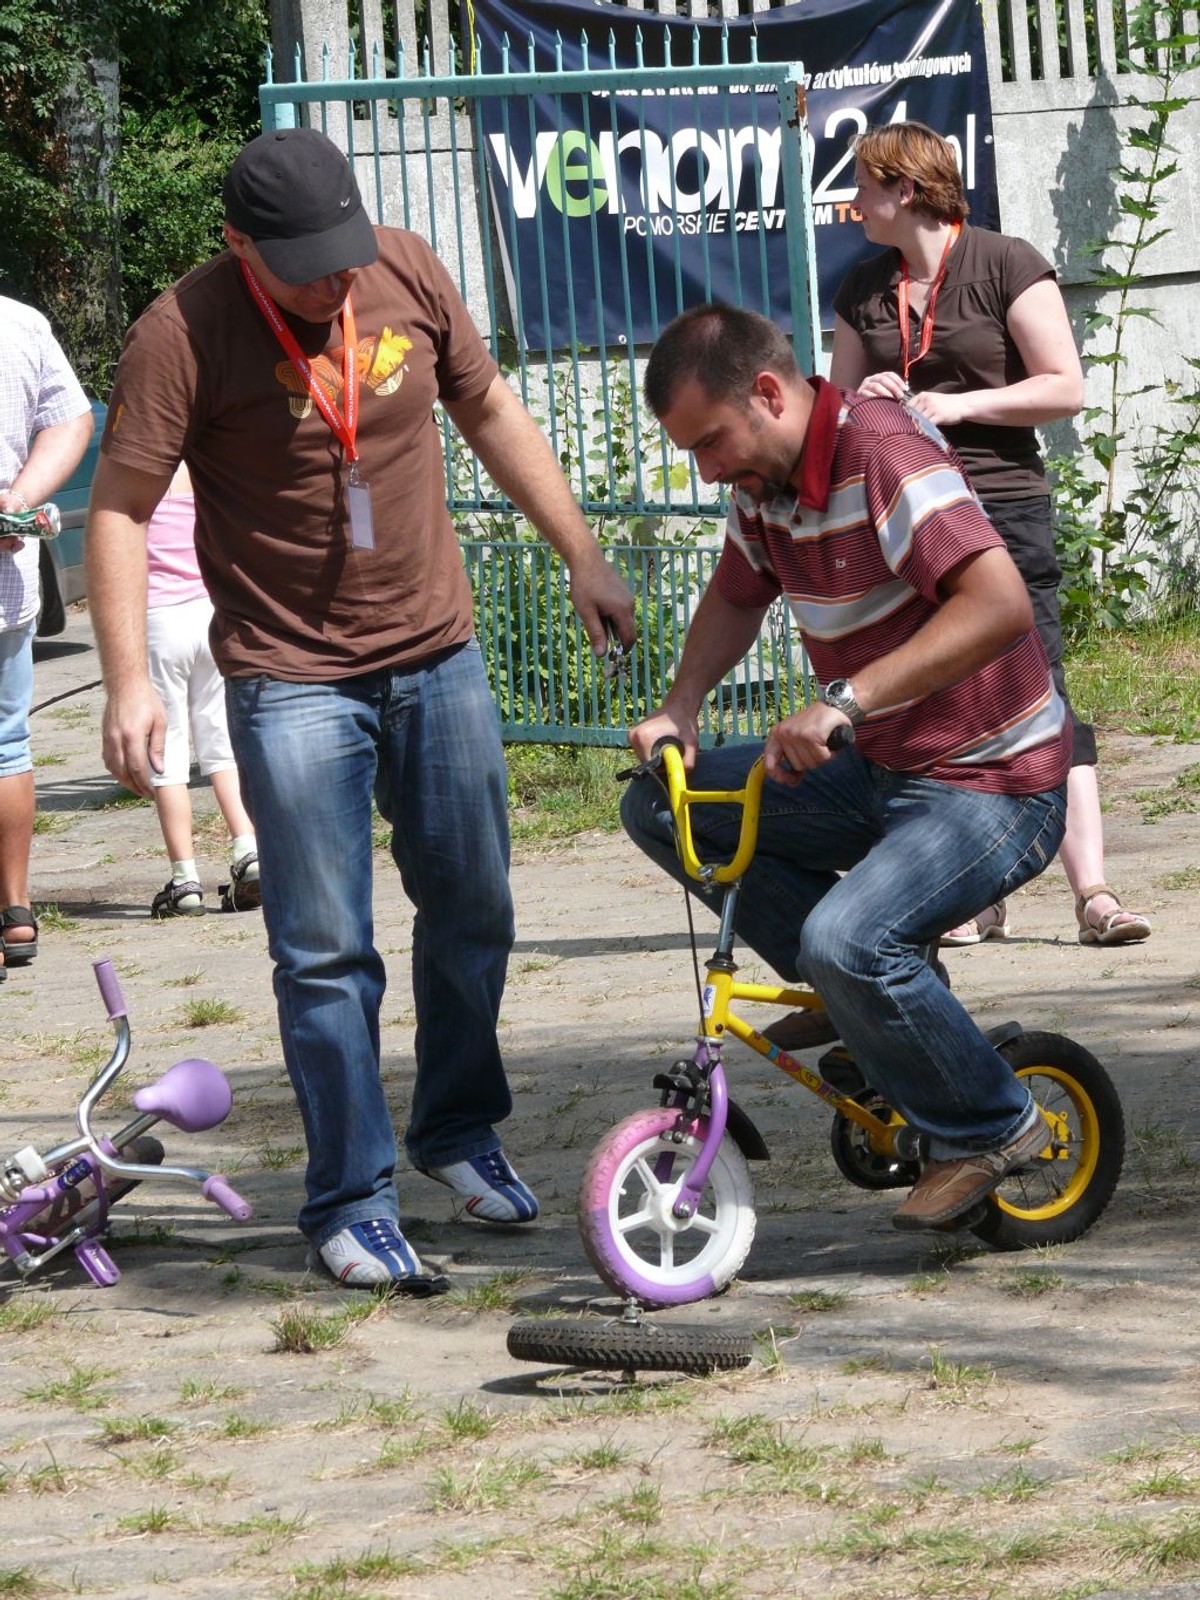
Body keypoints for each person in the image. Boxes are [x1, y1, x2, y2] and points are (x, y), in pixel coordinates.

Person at [86, 127, 635, 1289]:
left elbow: (489, 410)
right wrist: (131, 682)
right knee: (327, 950)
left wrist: (580, 551)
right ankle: (348, 1195)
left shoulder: (406, 268)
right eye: (306, 265)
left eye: (344, 251)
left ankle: (456, 1129)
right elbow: (123, 507)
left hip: (439, 651)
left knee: (476, 906)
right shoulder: (178, 332)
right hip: (290, 677)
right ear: (239, 244)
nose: (338, 280)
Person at [622, 302, 1071, 1231]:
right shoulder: (765, 485)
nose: (706, 471)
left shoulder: (883, 455)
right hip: (879, 769)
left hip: (990, 780)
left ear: (770, 393)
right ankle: (870, 1010)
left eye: (709, 443)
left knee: (847, 938)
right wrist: (680, 706)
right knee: (663, 808)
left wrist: (847, 700)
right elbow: (738, 594)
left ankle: (994, 1123)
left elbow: (999, 604)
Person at [829, 119, 1150, 949]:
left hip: (999, 507)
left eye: (864, 185)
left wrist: (961, 405)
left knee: (1038, 684)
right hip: (905, 519)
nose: (852, 200)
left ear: (906, 189)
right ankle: (977, 891)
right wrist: (870, 397)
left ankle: (1094, 895)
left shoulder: (1006, 262)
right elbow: (832, 414)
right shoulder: (863, 287)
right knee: (939, 699)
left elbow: (1065, 387)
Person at [0, 297, 95, 981]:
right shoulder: (18, 321)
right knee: (6, 743)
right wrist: (19, 495)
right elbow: (71, 418)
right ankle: (14, 910)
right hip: (4, 578)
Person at [144, 463, 260, 920]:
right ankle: (247, 849)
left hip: (157, 617)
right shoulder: (203, 468)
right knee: (220, 742)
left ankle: (184, 878)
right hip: (206, 612)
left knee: (165, 753)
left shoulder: (137, 473)